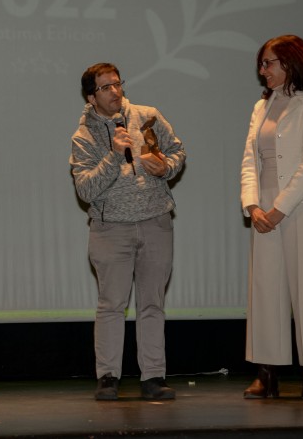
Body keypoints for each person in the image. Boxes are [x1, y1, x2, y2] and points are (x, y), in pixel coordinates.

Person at [70, 63, 186, 400]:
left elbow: (178, 151)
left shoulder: (148, 116)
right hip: (110, 230)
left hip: (155, 222)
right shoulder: (83, 136)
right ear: (91, 97)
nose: (115, 92)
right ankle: (108, 377)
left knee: (152, 303)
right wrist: (112, 155)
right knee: (111, 305)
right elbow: (86, 190)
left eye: (117, 84)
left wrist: (167, 167)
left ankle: (153, 377)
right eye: (105, 87)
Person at [240, 35, 303, 400]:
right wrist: (252, 205)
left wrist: (280, 208)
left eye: (269, 63)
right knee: (266, 289)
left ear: (291, 63)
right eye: (262, 64)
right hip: (264, 209)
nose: (263, 70)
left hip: (302, 205)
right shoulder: (260, 107)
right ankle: (267, 373)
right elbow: (249, 160)